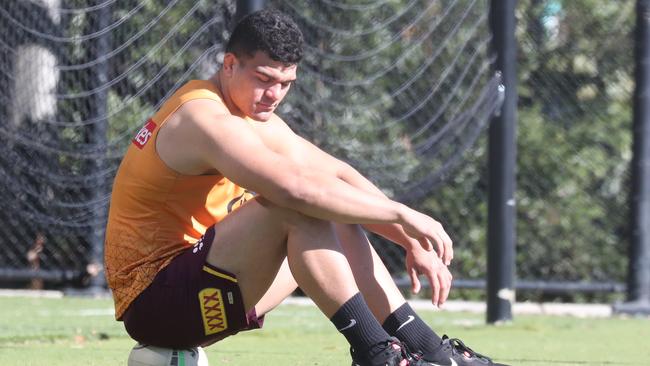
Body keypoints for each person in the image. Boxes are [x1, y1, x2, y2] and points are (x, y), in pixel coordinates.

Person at [105, 8, 508, 366]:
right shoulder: (202, 117)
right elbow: (296, 192)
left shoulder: (252, 115)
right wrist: (403, 214)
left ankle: (426, 350)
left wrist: (407, 239)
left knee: (336, 204)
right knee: (297, 206)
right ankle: (377, 354)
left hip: (204, 289)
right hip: (158, 302)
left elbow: (337, 176)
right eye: (264, 79)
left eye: (286, 83)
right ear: (229, 65)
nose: (274, 95)